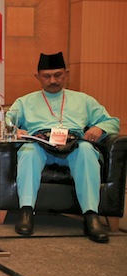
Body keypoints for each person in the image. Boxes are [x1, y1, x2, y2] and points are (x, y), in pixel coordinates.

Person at [7, 52, 120, 243]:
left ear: (66, 74)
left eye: (58, 75)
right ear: (38, 77)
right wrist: (14, 131)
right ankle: (26, 212)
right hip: (40, 144)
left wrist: (98, 127)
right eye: (47, 76)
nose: (53, 80)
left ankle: (91, 215)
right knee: (27, 151)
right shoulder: (24, 102)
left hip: (74, 144)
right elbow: (4, 122)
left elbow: (112, 122)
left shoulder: (84, 100)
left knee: (86, 151)